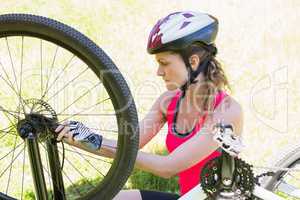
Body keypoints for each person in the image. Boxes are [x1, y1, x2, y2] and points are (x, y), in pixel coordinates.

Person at [55, 11, 243, 200]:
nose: (159, 72)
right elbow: (128, 146)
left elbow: (168, 167)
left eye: (164, 63)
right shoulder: (168, 102)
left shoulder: (227, 112)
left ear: (193, 62)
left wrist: (96, 141)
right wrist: (79, 137)